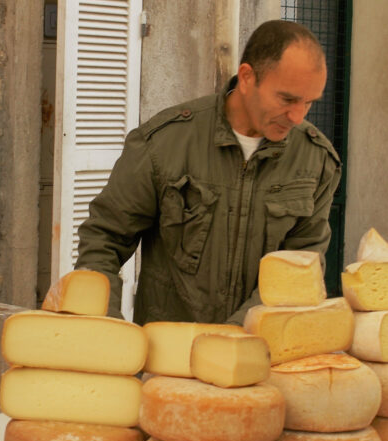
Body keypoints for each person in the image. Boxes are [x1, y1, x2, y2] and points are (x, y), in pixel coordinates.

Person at [75, 20, 341, 325]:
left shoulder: (316, 160)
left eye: (308, 103)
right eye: (287, 99)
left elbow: (302, 265)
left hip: (255, 354)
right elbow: (104, 237)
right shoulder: (165, 143)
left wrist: (237, 334)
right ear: (246, 77)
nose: (297, 116)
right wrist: (105, 325)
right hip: (168, 360)